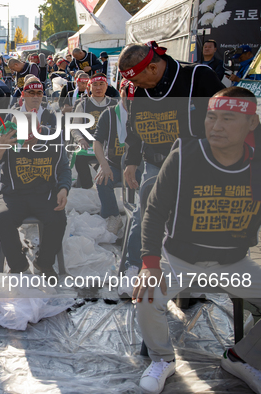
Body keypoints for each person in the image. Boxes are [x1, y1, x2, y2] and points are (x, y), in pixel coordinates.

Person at [133, 86, 261, 394]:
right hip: (180, 260)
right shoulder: (184, 156)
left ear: (251, 123)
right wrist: (149, 262)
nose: (217, 126)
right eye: (212, 117)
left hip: (234, 263)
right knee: (144, 295)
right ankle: (162, 360)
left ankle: (242, 358)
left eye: (229, 118)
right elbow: (153, 212)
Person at [119, 41, 225, 293]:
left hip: (196, 164)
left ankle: (192, 274)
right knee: (145, 212)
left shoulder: (197, 77)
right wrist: (132, 160)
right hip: (155, 162)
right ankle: (135, 265)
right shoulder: (139, 89)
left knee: (192, 218)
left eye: (140, 81)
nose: (136, 87)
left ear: (153, 68)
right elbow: (134, 128)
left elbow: (228, 116)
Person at [0, 79, 72, 276]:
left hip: (44, 193)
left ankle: (44, 262)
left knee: (58, 219)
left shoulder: (52, 136)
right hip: (13, 193)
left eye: (32, 139)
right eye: (23, 140)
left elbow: (64, 168)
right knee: (3, 219)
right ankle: (18, 264)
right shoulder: (8, 135)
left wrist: (63, 189)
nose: (27, 144)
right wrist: (2, 145)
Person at [93, 80, 143, 294]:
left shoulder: (144, 111)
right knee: (102, 178)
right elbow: (97, 142)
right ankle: (112, 215)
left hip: (140, 163)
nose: (130, 98)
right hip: (114, 161)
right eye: (127, 93)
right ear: (121, 91)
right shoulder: (109, 114)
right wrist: (103, 165)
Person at [71, 73, 117, 190]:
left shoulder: (114, 105)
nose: (98, 88)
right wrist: (80, 139)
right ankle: (87, 187)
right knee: (79, 157)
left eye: (101, 84)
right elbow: (74, 126)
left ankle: (109, 184)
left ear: (107, 86)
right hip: (88, 142)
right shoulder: (83, 105)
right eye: (95, 85)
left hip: (108, 144)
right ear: (89, 87)